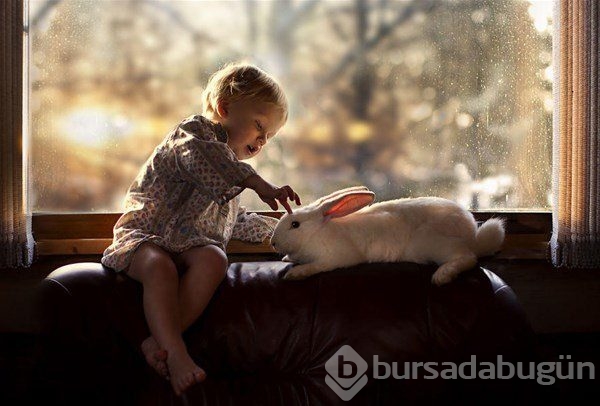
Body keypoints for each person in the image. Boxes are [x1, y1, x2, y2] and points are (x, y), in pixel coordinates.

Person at [101, 62, 301, 396]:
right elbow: (205, 160)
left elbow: (237, 222)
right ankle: (177, 354)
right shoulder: (193, 135)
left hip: (188, 246)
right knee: (159, 266)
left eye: (269, 136)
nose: (262, 140)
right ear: (224, 108)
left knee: (214, 258)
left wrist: (288, 228)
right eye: (259, 126)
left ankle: (158, 342)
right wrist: (257, 183)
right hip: (145, 238)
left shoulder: (232, 177)